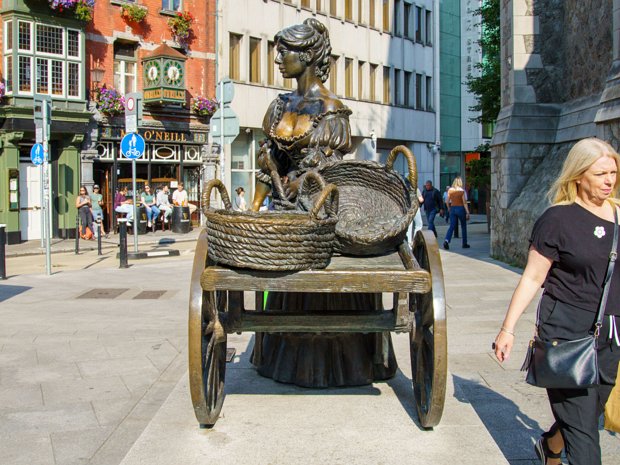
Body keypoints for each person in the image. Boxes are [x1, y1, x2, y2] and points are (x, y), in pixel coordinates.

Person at [245, 18, 397, 388]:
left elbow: (329, 175)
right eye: (277, 51)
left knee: (320, 279)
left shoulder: (331, 112)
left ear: (310, 55)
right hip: (285, 214)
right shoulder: (279, 106)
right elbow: (270, 167)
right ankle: (283, 356)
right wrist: (253, 208)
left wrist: (299, 186)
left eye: (286, 51)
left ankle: (341, 362)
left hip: (318, 213)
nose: (278, 59)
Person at [493, 137, 620, 465]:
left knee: (586, 417)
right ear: (579, 176)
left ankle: (551, 444)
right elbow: (533, 278)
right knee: (585, 439)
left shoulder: (618, 215)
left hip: (610, 335)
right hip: (566, 332)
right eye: (600, 174)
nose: (609, 181)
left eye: (613, 172)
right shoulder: (557, 220)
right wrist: (508, 329)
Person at [443, 176, 470, 250]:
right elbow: (464, 202)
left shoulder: (450, 190)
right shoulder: (462, 191)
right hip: (460, 208)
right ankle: (464, 243)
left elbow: (446, 201)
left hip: (453, 208)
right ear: (460, 182)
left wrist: (449, 208)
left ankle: (446, 240)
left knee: (452, 226)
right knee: (463, 226)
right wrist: (467, 212)